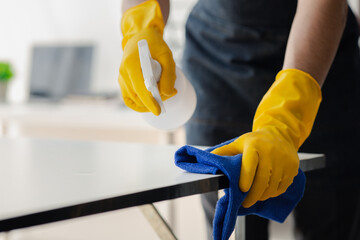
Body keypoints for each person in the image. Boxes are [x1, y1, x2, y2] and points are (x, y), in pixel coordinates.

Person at [118, 0, 360, 239]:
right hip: (216, 66)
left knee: (330, 223)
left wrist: (285, 117)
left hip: (321, 63)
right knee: (229, 219)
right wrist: (140, 26)